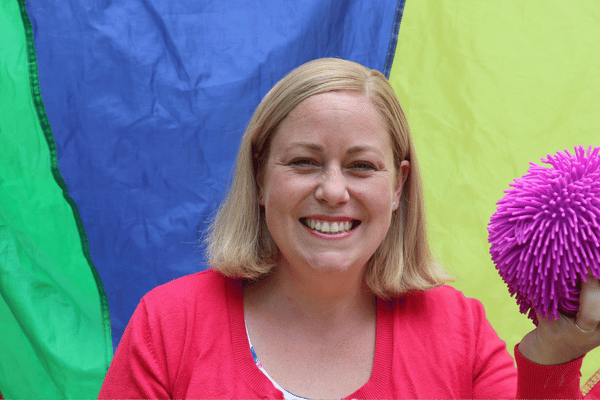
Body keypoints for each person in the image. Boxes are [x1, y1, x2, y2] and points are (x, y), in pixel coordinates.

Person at [98, 58, 600, 399]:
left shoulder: (459, 332)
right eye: (303, 162)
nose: (333, 192)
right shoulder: (169, 324)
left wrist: (551, 356)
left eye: (361, 166)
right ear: (259, 178)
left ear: (399, 186)